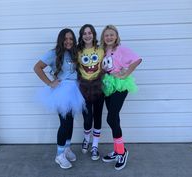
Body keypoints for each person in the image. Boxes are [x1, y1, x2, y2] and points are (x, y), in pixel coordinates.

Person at [34, 28, 85, 169]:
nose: (68, 41)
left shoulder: (75, 53)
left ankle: (67, 148)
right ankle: (59, 155)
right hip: (62, 92)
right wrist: (50, 83)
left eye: (71, 39)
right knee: (64, 123)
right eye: (65, 39)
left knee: (70, 122)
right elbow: (37, 67)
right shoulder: (53, 53)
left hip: (74, 91)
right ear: (61, 40)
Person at [100, 25, 142, 170]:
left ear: (116, 36)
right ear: (103, 38)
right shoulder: (103, 51)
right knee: (115, 118)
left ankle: (122, 152)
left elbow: (137, 59)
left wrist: (126, 73)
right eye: (107, 35)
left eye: (112, 35)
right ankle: (118, 150)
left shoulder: (122, 49)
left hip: (120, 85)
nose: (109, 37)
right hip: (108, 85)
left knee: (111, 118)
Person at [77, 24, 105, 160]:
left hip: (99, 88)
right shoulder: (78, 51)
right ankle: (86, 139)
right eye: (84, 33)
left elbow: (109, 64)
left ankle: (95, 146)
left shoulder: (101, 50)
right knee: (87, 118)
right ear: (81, 36)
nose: (87, 36)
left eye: (90, 33)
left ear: (93, 34)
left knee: (97, 116)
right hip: (84, 89)